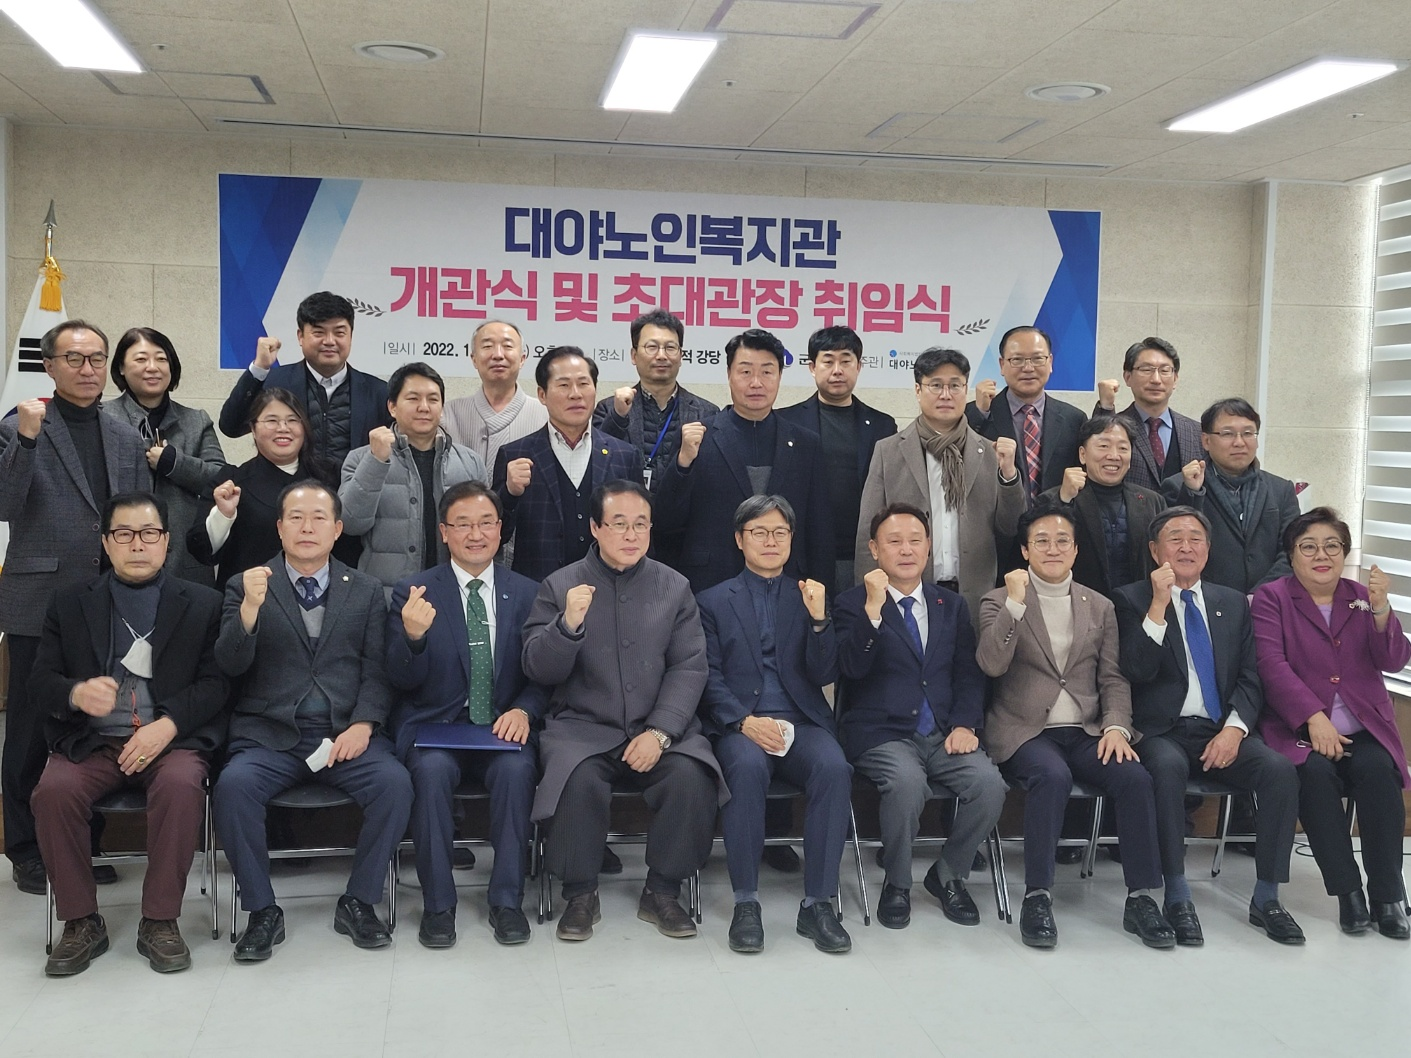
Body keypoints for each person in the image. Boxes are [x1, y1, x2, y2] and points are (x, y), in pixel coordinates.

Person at [29, 492, 228, 975]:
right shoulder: (70, 602)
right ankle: (80, 920)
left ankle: (159, 920)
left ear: (165, 541)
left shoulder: (203, 602)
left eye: (149, 533)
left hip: (169, 740)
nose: (137, 544)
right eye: (124, 534)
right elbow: (39, 682)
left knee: (181, 785)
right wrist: (76, 694)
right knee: (52, 791)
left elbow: (218, 684)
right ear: (106, 542)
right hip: (93, 741)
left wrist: (168, 725)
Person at [213, 480, 412, 961]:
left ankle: (359, 900)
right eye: (296, 518)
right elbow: (229, 665)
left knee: (395, 784)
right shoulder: (245, 584)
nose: (307, 527)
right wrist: (249, 610)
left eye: (319, 518)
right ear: (279, 528)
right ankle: (262, 911)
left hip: (345, 734)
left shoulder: (365, 589)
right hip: (269, 736)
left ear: (338, 529)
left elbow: (377, 669)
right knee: (233, 787)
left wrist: (364, 724)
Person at [522, 481, 726, 942]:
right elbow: (538, 668)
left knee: (691, 777)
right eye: (618, 524)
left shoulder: (674, 587)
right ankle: (580, 894)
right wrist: (566, 626)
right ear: (595, 528)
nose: (631, 535)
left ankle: (662, 891)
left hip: (659, 727)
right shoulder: (560, 585)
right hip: (583, 728)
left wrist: (660, 732)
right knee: (574, 777)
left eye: (641, 524)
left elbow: (690, 667)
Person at [977, 500, 1173, 950]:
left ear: (1076, 549)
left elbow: (1113, 677)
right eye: (1041, 541)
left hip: (1087, 729)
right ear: (1024, 551)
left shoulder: (1099, 605)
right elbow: (991, 664)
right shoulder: (997, 600)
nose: (1053, 549)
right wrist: (1014, 605)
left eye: (1062, 540)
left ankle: (1142, 897)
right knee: (1052, 775)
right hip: (1026, 730)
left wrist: (1116, 727)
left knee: (1134, 777)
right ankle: (1038, 895)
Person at [1, 319, 149, 895]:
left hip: (103, 603)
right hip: (38, 599)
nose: (88, 370)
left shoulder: (124, 434)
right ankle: (24, 849)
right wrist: (27, 442)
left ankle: (82, 843)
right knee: (29, 730)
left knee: (91, 727)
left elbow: (134, 516)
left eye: (96, 359)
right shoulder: (20, 424)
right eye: (75, 359)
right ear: (50, 366)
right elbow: (4, 505)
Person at [1113, 507, 1303, 945]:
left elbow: (1251, 676)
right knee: (1165, 769)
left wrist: (1234, 729)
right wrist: (1159, 605)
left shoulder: (1231, 602)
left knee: (1278, 771)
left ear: (1208, 549)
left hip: (1220, 729)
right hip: (1161, 731)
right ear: (1154, 550)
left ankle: (1268, 897)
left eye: (1195, 538)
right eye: (1175, 538)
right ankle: (1177, 894)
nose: (1186, 547)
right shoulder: (1130, 599)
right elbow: (1136, 670)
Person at [385, 482, 547, 948]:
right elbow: (398, 679)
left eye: (486, 523)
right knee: (431, 773)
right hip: (437, 727)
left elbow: (544, 673)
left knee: (517, 772)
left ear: (500, 528)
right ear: (444, 532)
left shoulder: (528, 592)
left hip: (501, 726)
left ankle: (507, 901)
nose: (475, 534)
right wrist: (413, 639)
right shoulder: (414, 591)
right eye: (463, 525)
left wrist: (524, 710)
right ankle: (438, 906)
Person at [835, 503, 1007, 930]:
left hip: (944, 731)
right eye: (894, 541)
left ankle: (948, 874)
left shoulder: (950, 604)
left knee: (989, 785)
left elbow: (967, 672)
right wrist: (873, 612)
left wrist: (966, 723)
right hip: (882, 733)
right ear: (875, 549)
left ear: (929, 547)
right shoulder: (851, 604)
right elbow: (850, 668)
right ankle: (897, 883)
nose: (906, 550)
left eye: (915, 541)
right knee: (907, 784)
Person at [697, 496, 853, 954]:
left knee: (834, 767)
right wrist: (743, 721)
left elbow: (825, 673)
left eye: (780, 532)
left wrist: (820, 621)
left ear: (791, 539)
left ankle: (818, 904)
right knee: (745, 769)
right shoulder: (712, 601)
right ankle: (746, 902)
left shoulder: (807, 596)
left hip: (801, 720)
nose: (770, 541)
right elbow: (707, 676)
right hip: (741, 725)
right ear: (739, 539)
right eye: (759, 532)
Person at [1252, 508, 1410, 939]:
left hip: (1363, 726)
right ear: (1291, 554)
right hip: (1298, 730)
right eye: (1308, 547)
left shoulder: (1361, 597)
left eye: (1332, 546)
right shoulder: (1272, 598)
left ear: (1344, 553)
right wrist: (1312, 717)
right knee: (1314, 777)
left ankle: (1388, 895)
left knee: (1379, 772)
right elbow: (1270, 665)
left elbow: (1393, 659)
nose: (1321, 555)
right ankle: (1348, 893)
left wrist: (1382, 610)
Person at [653, 329, 832, 594]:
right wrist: (682, 465)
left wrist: (824, 598)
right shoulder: (697, 438)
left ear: (780, 376)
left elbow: (819, 531)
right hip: (711, 585)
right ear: (729, 374)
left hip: (789, 587)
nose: (756, 382)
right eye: (745, 371)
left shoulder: (806, 444)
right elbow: (665, 521)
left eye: (767, 372)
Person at [855, 347, 1022, 627]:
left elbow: (1011, 528)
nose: (946, 394)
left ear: (966, 390)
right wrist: (870, 598)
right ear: (918, 390)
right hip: (907, 594)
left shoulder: (990, 452)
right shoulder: (889, 451)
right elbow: (867, 534)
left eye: (955, 385)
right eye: (936, 385)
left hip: (973, 594)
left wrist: (1009, 475)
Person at [492, 347, 642, 582]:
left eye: (583, 384)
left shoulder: (624, 455)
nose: (575, 394)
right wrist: (509, 494)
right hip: (538, 590)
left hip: (610, 589)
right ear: (542, 394)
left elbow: (641, 531)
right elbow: (495, 537)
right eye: (563, 385)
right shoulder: (515, 454)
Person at [339, 362, 488, 597]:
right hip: (387, 596)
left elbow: (485, 531)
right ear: (392, 407)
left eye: (433, 399)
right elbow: (350, 523)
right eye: (413, 398)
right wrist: (375, 462)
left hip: (453, 595)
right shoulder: (361, 458)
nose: (424, 407)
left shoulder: (470, 462)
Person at [189, 389, 356, 587]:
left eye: (292, 420)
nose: (283, 428)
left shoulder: (331, 476)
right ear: (253, 429)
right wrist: (224, 515)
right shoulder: (231, 481)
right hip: (250, 596)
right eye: (272, 421)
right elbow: (201, 550)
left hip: (322, 593)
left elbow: (349, 543)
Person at [777, 325, 897, 597]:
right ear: (812, 367)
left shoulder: (882, 425)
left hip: (861, 553)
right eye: (828, 361)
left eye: (846, 361)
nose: (837, 370)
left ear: (859, 366)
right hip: (803, 552)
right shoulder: (786, 422)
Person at [218, 291, 390, 469]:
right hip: (286, 485)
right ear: (300, 336)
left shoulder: (378, 392)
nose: (329, 341)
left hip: (354, 486)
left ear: (350, 336)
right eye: (319, 332)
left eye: (339, 333)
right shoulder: (274, 383)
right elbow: (231, 427)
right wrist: (259, 368)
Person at [108, 327, 227, 586]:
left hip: (184, 563)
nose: (152, 367)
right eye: (141, 359)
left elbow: (220, 478)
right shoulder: (103, 418)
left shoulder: (196, 421)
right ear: (121, 368)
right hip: (117, 562)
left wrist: (175, 464)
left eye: (161, 359)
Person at [1162, 398, 1299, 593]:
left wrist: (1262, 595)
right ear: (1206, 441)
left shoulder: (1281, 490)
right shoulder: (1179, 486)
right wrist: (1193, 493)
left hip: (1268, 600)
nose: (1239, 442)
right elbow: (1178, 549)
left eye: (1248, 433)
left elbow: (1291, 550)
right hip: (1207, 600)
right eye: (1228, 434)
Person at [1040, 414, 1165, 598]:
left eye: (1123, 448)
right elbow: (1042, 548)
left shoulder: (1152, 501)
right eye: (1103, 446)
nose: (1113, 456)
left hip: (1138, 604)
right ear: (1083, 454)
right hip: (1078, 603)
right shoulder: (1054, 498)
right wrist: (1064, 500)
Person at [965, 325, 1085, 507]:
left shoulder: (1074, 419)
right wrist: (979, 412)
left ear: (1050, 362)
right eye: (1017, 360)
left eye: (1037, 359)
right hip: (995, 521)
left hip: (1055, 519)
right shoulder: (978, 414)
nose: (1028, 368)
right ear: (1002, 365)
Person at [1094, 337, 1202, 492]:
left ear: (1175, 379)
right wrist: (1106, 407)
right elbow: (1097, 453)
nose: (1156, 379)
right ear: (1128, 377)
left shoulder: (1196, 432)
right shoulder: (1117, 425)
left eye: (1165, 371)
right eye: (1146, 370)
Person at [443, 320, 549, 469]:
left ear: (522, 359)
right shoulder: (449, 414)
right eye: (487, 346)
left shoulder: (546, 415)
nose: (498, 355)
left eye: (507, 346)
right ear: (474, 359)